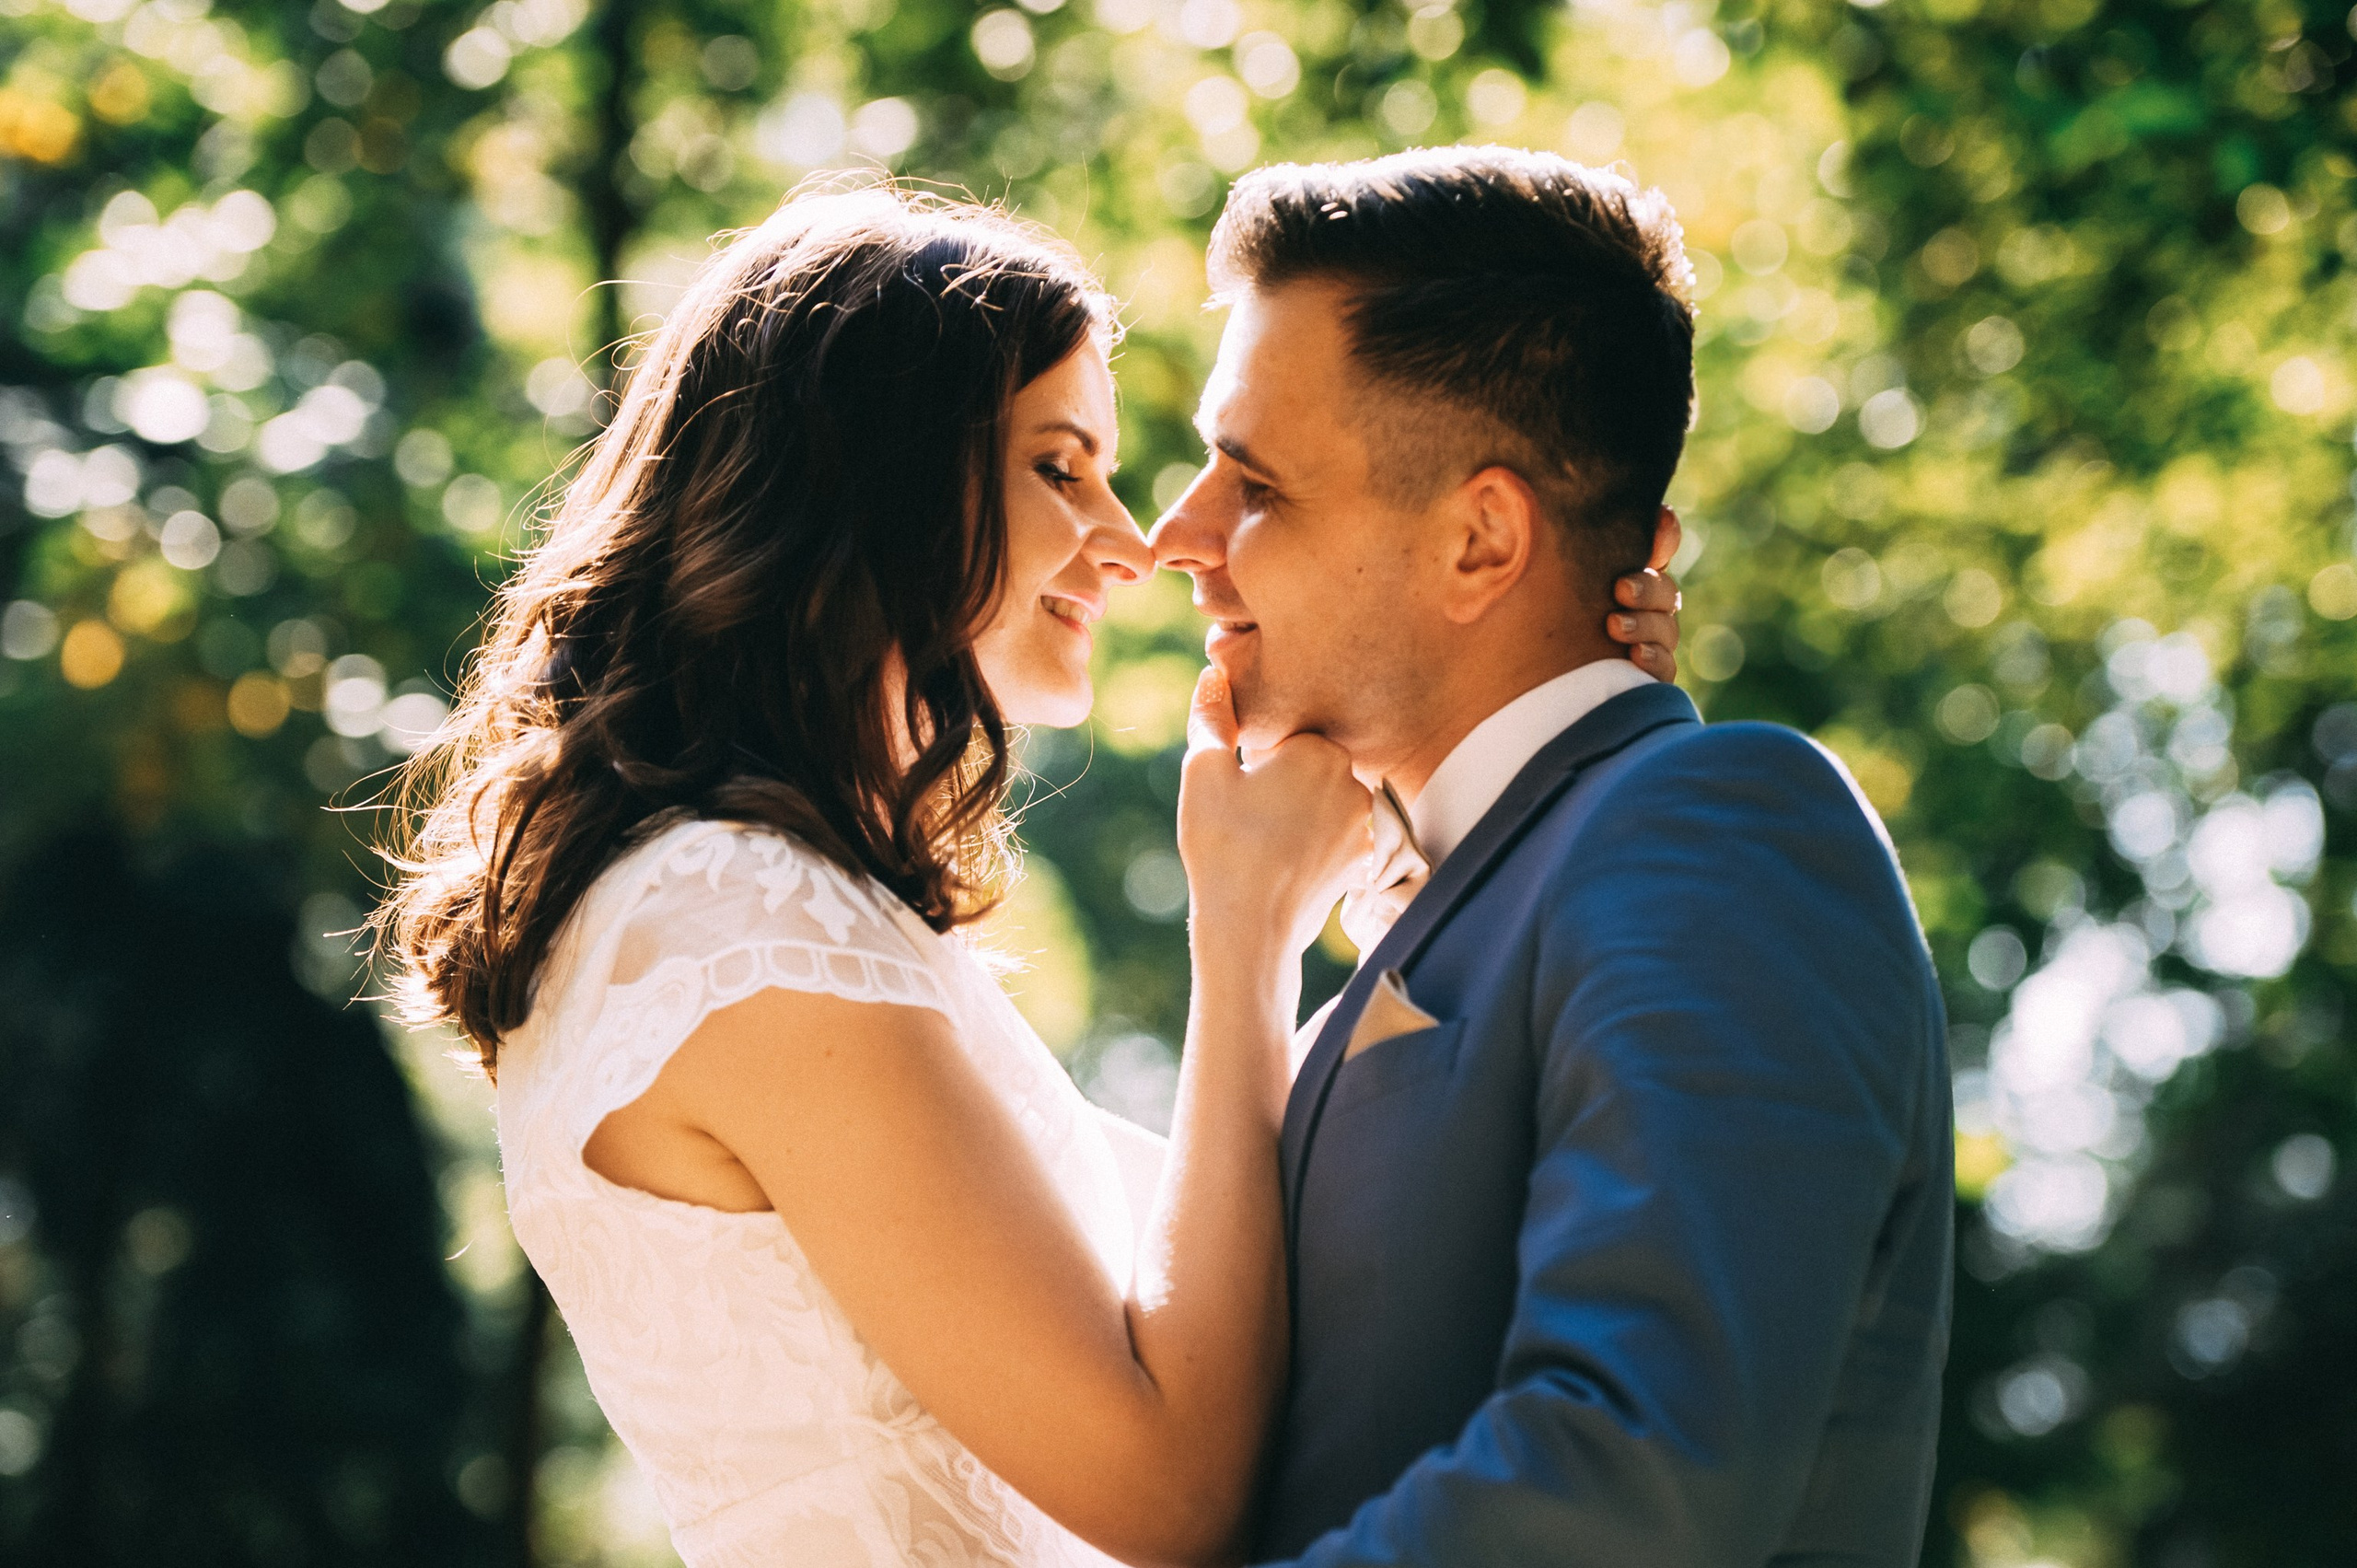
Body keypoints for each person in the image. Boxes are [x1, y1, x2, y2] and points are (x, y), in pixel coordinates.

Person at [377, 184, 1679, 1568]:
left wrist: (1507, 736)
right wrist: (1243, 929)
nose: (1130, 541)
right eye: (1061, 469)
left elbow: (1272, 1285)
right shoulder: (737, 929)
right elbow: (1176, 1494)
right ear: (876, 477)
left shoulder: (773, 910)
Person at [1148, 146, 1954, 1565]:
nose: (1177, 536)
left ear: (1481, 541)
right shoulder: (1451, 912)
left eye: (1255, 484)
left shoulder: (1721, 829)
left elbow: (1635, 1472)